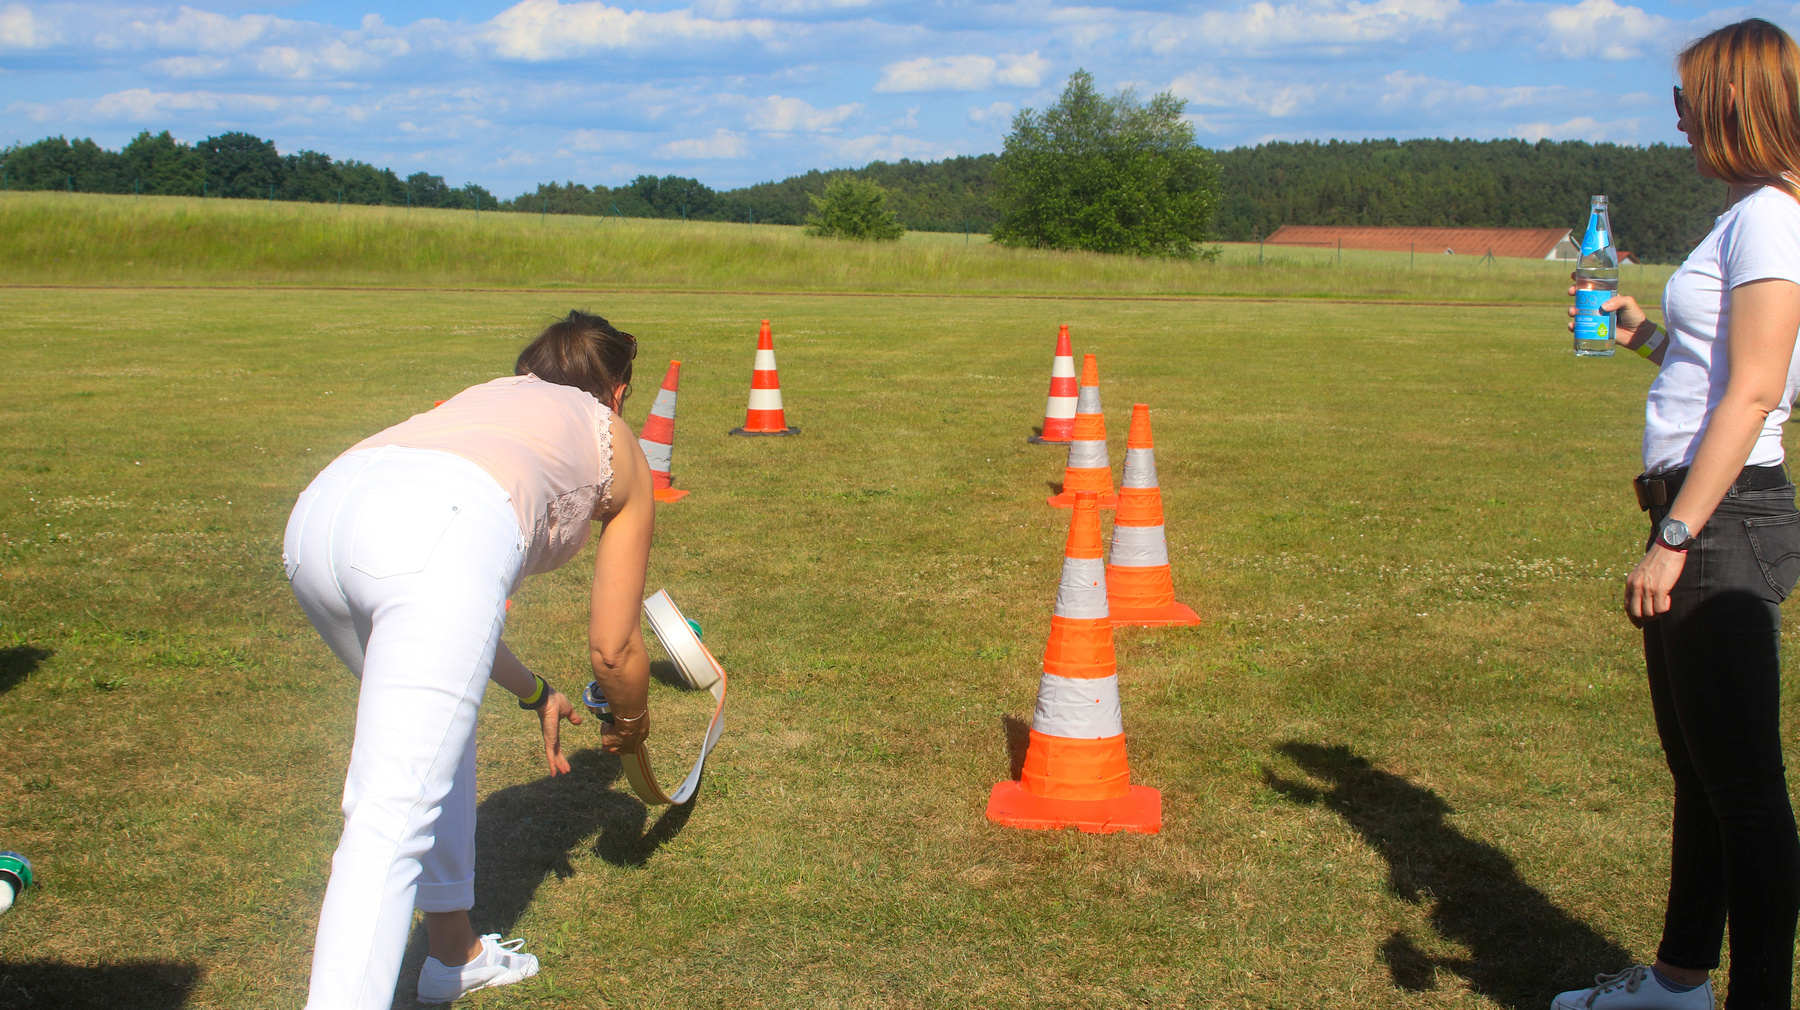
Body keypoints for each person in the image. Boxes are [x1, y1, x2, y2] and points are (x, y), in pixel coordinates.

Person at [282, 310, 655, 1008]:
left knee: (433, 746)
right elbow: (614, 649)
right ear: (620, 392)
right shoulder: (618, 442)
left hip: (321, 518)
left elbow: (450, 617)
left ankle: (453, 954)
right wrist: (630, 722)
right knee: (387, 820)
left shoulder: (490, 394)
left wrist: (536, 690)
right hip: (438, 525)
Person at [1554, 18, 1800, 1010]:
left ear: (1730, 104)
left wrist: (1673, 537)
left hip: (1719, 520)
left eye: (1686, 98)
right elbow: (1721, 375)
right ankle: (1677, 980)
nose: (1678, 116)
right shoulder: (1750, 214)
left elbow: (1754, 397)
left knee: (1744, 791)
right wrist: (1649, 335)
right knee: (1701, 772)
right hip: (1711, 508)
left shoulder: (1772, 219)